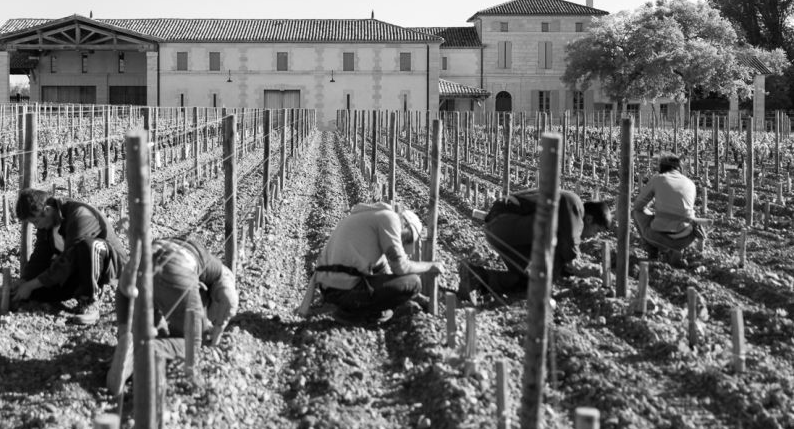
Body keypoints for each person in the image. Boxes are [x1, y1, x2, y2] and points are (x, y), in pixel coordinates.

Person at [107, 235, 238, 395]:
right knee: (193, 346)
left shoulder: (183, 246)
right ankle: (148, 350)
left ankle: (128, 340)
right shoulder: (216, 270)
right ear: (206, 290)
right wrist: (218, 325)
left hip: (136, 266)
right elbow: (227, 295)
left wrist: (124, 328)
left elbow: (123, 292)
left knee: (150, 325)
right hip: (175, 271)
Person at [295, 201, 443, 326]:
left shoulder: (367, 219)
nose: (402, 243)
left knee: (396, 282)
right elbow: (401, 267)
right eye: (406, 240)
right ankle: (356, 314)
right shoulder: (390, 219)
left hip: (329, 290)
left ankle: (350, 310)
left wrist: (418, 299)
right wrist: (430, 266)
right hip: (347, 292)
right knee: (414, 281)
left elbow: (385, 274)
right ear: (406, 229)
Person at [458, 189, 611, 301]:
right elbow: (570, 247)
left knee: (528, 282)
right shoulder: (575, 205)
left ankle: (475, 277)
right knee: (558, 241)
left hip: (501, 231)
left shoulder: (567, 215)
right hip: (506, 222)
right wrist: (590, 271)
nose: (594, 237)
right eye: (597, 231)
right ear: (589, 219)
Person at [13, 188, 127, 325]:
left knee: (88, 246)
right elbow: (40, 256)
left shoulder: (80, 214)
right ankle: (77, 291)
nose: (37, 226)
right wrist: (25, 280)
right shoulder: (47, 225)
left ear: (47, 210)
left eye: (36, 221)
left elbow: (69, 259)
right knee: (34, 294)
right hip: (75, 268)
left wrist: (31, 284)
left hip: (106, 265)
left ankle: (89, 302)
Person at [632, 153, 708, 262]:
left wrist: (653, 203)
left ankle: (653, 254)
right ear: (679, 168)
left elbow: (638, 206)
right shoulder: (690, 183)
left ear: (661, 167)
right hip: (686, 238)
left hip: (660, 235)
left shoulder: (658, 178)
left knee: (635, 212)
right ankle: (674, 251)